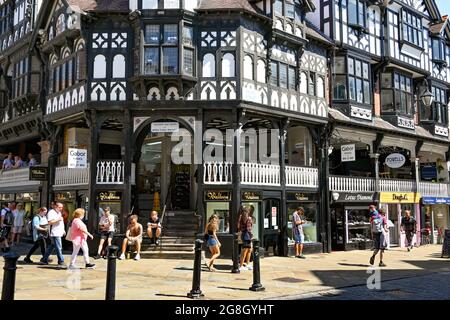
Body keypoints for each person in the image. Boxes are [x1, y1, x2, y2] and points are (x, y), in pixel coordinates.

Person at [42, 202, 67, 268]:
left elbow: (61, 223)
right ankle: (61, 261)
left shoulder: (59, 212)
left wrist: (63, 230)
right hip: (55, 232)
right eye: (59, 207)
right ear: (55, 206)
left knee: (52, 246)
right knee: (59, 247)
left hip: (59, 232)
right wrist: (58, 219)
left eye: (62, 207)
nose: (61, 209)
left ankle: (44, 259)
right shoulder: (51, 212)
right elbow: (50, 222)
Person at [238, 207, 253, 271]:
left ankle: (247, 264)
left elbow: (238, 226)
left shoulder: (240, 217)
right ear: (248, 212)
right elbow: (249, 228)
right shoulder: (249, 218)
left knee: (247, 249)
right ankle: (242, 265)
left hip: (243, 234)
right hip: (247, 235)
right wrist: (251, 236)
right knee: (246, 250)